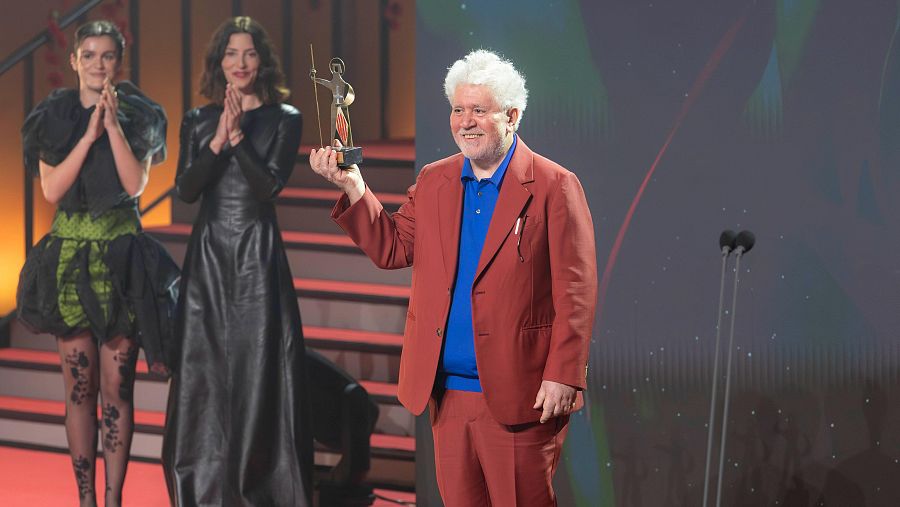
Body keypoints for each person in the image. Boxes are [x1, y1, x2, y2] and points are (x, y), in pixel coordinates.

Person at [310, 49, 598, 506]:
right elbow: (392, 247)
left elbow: (576, 291)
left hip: (520, 396)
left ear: (512, 116)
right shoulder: (435, 180)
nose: (466, 121)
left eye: (479, 111)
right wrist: (353, 187)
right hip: (447, 394)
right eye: (458, 109)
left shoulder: (555, 185)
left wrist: (564, 374)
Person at [17, 20, 176, 507]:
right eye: (89, 55)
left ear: (118, 61)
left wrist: (110, 127)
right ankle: (85, 497)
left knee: (116, 389)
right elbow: (51, 190)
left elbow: (134, 187)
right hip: (69, 260)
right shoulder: (54, 116)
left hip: (123, 259)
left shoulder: (139, 114)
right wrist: (86, 137)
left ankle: (113, 499)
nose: (98, 64)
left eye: (107, 56)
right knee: (79, 391)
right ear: (74, 61)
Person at [161, 16, 312, 506]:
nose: (240, 63)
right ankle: (203, 488)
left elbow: (269, 187)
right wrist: (217, 140)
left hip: (256, 252)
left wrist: (241, 139)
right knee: (202, 371)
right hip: (207, 256)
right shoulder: (198, 119)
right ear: (219, 63)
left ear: (261, 61)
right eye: (231, 54)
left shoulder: (284, 117)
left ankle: (260, 488)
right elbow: (184, 190)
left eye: (249, 54)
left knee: (259, 367)